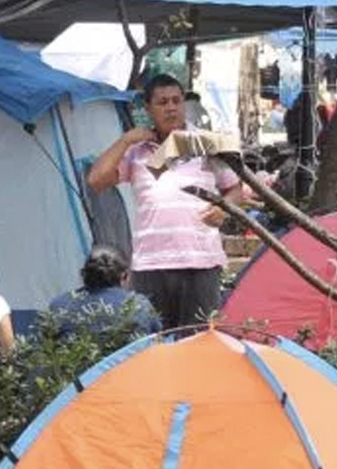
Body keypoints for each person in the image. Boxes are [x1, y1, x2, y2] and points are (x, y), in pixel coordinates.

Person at [87, 74, 247, 329]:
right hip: (151, 263)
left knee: (199, 342)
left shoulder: (205, 144)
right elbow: (96, 180)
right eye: (162, 102)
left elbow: (236, 188)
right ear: (148, 109)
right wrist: (126, 139)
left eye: (176, 100)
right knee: (153, 344)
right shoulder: (137, 151)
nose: (171, 107)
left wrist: (223, 209)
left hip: (200, 261)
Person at [45, 246, 161, 339]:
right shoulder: (139, 305)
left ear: (83, 274)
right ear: (124, 276)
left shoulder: (59, 305)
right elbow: (156, 341)